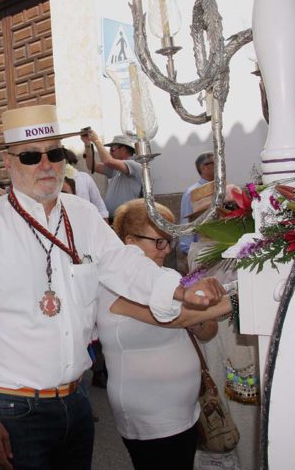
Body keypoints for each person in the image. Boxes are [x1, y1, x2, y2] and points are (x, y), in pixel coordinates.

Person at [0, 104, 226, 470]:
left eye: (55, 153)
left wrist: (179, 291)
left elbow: (124, 264)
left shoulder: (81, 214)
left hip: (77, 404)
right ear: (9, 161)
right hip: (14, 408)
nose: (46, 165)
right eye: (32, 156)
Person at [98, 199, 230, 470]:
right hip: (149, 414)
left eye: (169, 241)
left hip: (186, 410)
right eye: (158, 242)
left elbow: (207, 330)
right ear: (129, 242)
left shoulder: (168, 277)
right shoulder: (112, 286)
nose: (166, 249)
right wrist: (238, 297)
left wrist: (199, 318)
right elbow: (172, 319)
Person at [185, 183, 261, 470]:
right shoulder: (198, 252)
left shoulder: (250, 247)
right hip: (213, 343)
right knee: (218, 414)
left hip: (242, 343)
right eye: (211, 213)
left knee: (248, 415)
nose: (221, 217)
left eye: (228, 209)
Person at [81, 132, 142, 221]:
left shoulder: (134, 165)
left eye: (112, 149)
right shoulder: (116, 168)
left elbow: (108, 161)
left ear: (124, 149)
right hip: (116, 220)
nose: (110, 152)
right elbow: (91, 165)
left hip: (127, 219)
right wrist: (87, 144)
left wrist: (96, 141)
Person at [178, 152, 215, 271]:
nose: (221, 166)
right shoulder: (192, 193)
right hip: (201, 253)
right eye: (216, 163)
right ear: (204, 167)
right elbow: (186, 225)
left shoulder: (222, 189)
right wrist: (188, 253)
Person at [64, 149, 108, 220]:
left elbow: (100, 206)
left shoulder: (84, 177)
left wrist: (106, 227)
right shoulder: (50, 182)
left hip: (85, 220)